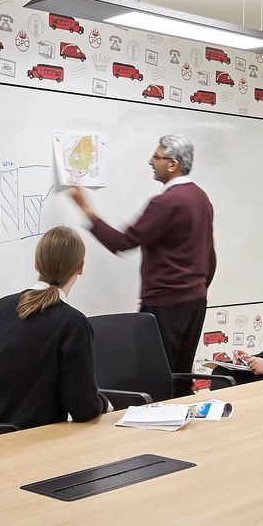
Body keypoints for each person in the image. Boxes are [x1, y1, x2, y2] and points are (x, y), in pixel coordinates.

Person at [70, 134, 215, 386]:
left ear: (173, 164)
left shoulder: (166, 202)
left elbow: (122, 242)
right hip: (195, 301)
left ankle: (160, 423)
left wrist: (86, 209)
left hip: (165, 303)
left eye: (156, 157)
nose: (150, 162)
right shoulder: (201, 198)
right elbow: (209, 256)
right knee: (181, 375)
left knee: (156, 377)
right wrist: (196, 288)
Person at [0, 226, 105, 433]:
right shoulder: (72, 322)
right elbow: (83, 408)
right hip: (28, 442)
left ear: (36, 264)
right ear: (80, 267)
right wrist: (103, 404)